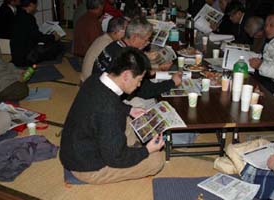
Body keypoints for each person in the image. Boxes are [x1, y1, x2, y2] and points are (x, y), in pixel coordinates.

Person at [60, 47, 165, 185]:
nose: (139, 85)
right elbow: (116, 159)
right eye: (139, 80)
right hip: (86, 167)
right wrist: (146, 151)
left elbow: (100, 105)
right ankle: (133, 150)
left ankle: (129, 147)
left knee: (125, 118)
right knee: (157, 160)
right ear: (126, 75)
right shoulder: (109, 109)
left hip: (75, 147)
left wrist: (129, 109)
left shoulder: (95, 79)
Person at [93, 17, 182, 99]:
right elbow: (147, 91)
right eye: (146, 39)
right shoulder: (129, 57)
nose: (147, 43)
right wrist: (172, 82)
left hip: (97, 90)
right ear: (134, 37)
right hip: (110, 99)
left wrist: (151, 72)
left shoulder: (115, 45)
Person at [10, 0, 62, 67]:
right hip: (27, 57)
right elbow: (38, 38)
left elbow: (32, 35)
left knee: (47, 43)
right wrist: (53, 37)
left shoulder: (16, 14)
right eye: (35, 5)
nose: (36, 7)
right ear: (31, 4)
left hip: (16, 56)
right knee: (57, 46)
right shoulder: (28, 18)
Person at [81, 17, 127, 82]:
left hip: (86, 76)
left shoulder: (103, 38)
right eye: (125, 31)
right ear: (116, 32)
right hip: (90, 80)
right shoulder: (110, 44)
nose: (127, 34)